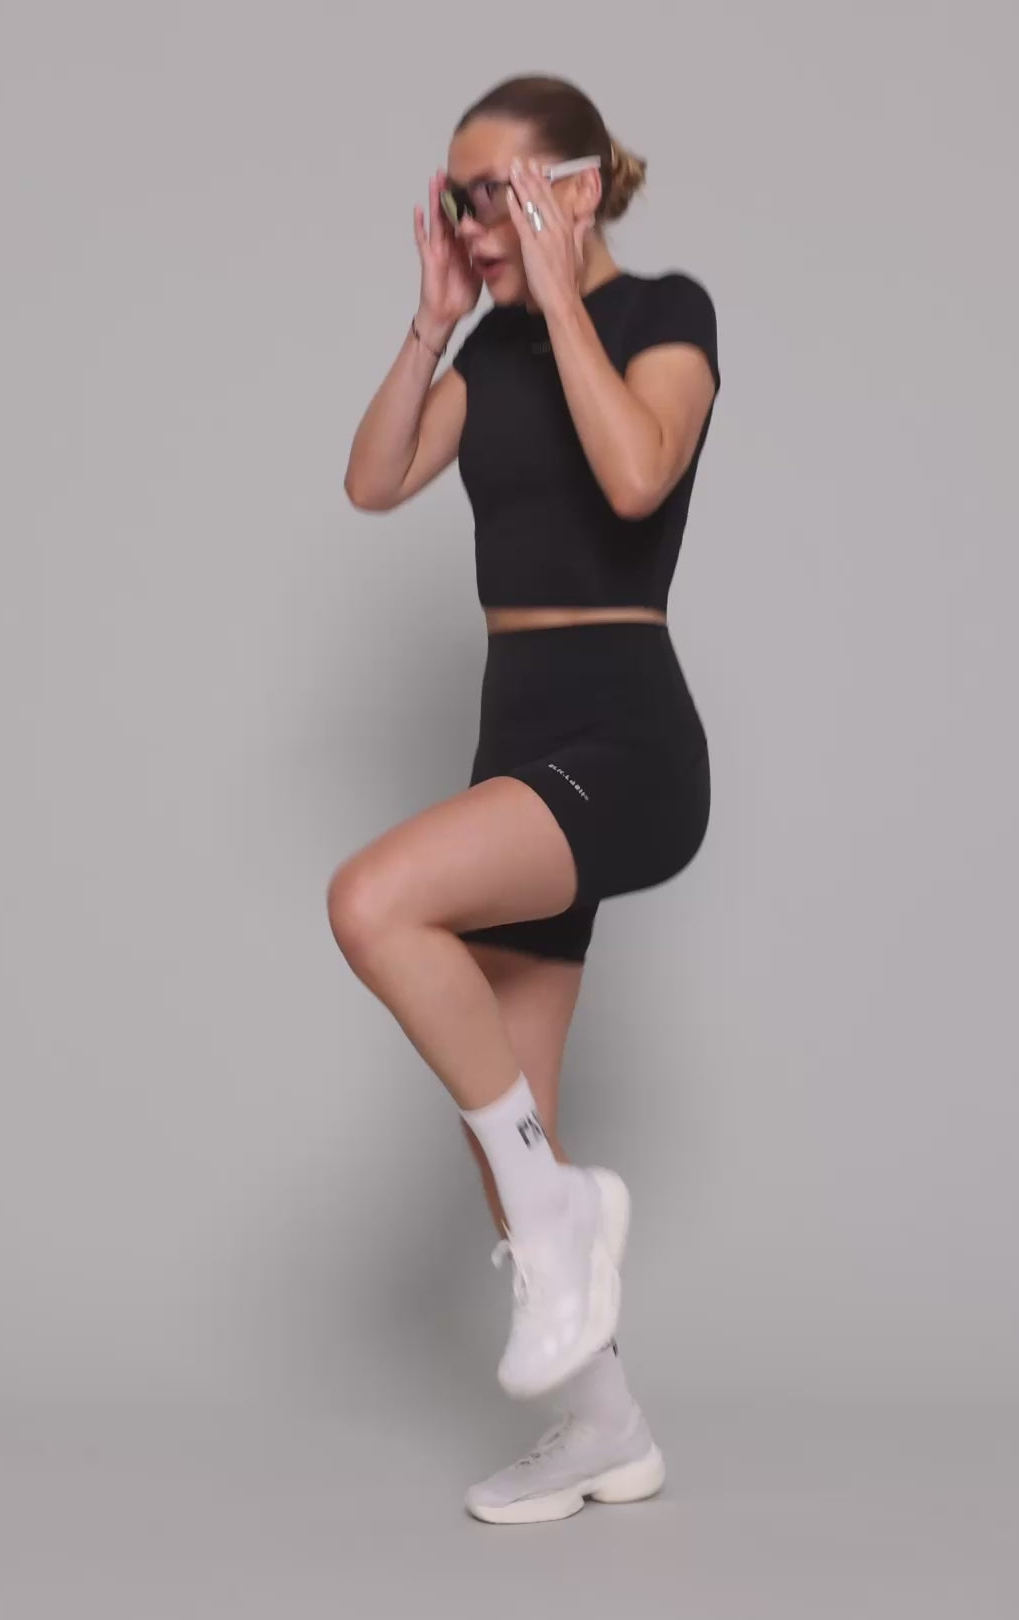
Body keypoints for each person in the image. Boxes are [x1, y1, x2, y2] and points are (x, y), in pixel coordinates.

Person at [333, 73, 720, 1524]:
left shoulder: (666, 314)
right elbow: (375, 481)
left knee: (373, 904)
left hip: (626, 737)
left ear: (573, 186)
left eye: (490, 196)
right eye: (456, 202)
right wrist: (434, 322)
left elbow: (636, 479)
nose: (472, 225)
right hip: (520, 735)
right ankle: (607, 1428)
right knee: (511, 1115)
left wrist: (559, 300)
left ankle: (565, 1210)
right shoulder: (486, 347)